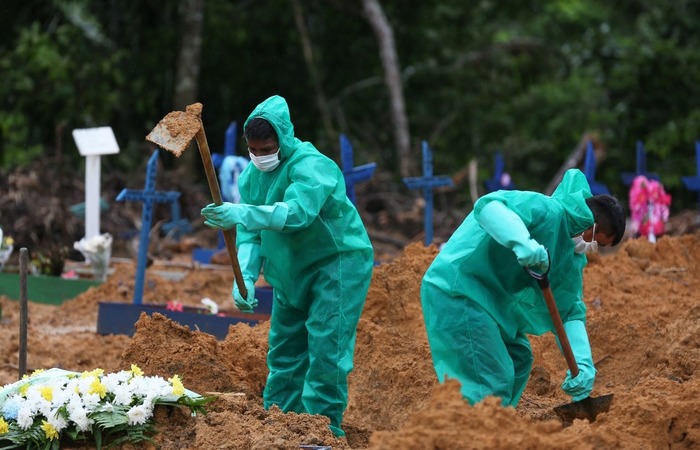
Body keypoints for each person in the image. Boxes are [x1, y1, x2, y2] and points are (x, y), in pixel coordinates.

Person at [200, 95, 374, 437]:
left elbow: (297, 214)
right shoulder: (250, 178)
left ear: (283, 138)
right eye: (253, 150)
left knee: (327, 349)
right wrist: (245, 277)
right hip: (289, 269)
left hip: (335, 263)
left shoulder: (311, 165)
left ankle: (322, 430)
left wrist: (241, 212)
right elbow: (250, 235)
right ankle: (278, 423)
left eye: (266, 149)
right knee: (284, 351)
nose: (260, 156)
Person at [420, 168, 626, 408]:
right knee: (491, 379)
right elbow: (489, 206)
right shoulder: (546, 210)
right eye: (597, 241)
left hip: (492, 306)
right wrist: (522, 243)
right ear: (591, 224)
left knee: (519, 359)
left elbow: (569, 310)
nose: (593, 248)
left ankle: (499, 423)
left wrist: (582, 363)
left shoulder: (571, 260)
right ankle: (476, 428)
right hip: (460, 289)